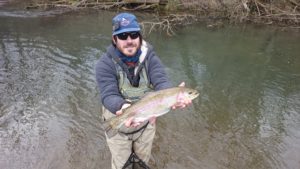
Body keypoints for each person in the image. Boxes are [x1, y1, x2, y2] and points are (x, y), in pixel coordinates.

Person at [95, 12, 191, 169]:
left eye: (133, 35)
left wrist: (174, 96)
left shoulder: (150, 58)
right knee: (121, 165)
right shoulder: (104, 64)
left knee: (142, 162)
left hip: (146, 123)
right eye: (123, 36)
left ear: (139, 37)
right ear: (114, 39)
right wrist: (124, 108)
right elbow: (108, 94)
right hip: (119, 120)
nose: (129, 41)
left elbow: (161, 80)